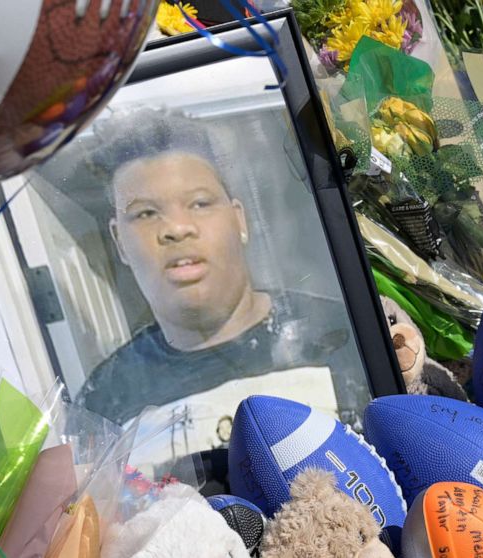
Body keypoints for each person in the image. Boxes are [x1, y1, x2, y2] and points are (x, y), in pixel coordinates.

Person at [75, 109, 366, 460]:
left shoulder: (342, 335)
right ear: (119, 241)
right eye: (145, 213)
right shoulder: (104, 402)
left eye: (199, 203)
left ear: (239, 219)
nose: (176, 228)